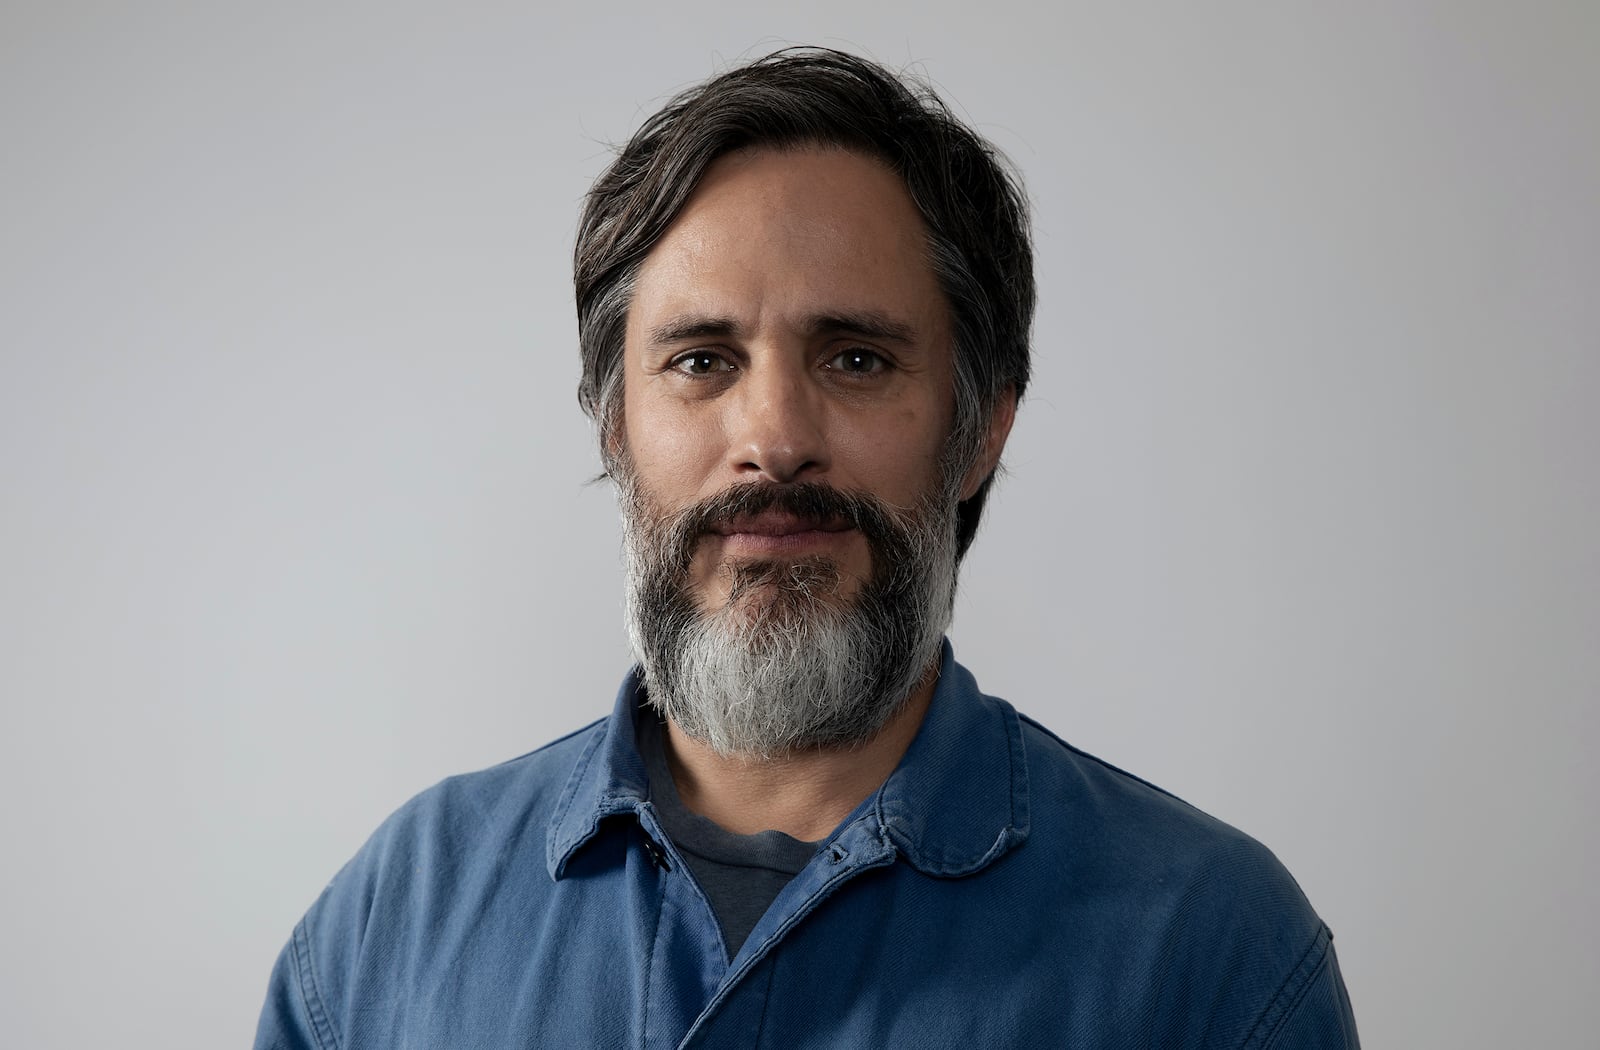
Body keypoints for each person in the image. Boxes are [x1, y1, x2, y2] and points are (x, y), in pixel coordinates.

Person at [255, 48, 1359, 1049]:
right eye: (700, 360)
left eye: (857, 360)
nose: (774, 442)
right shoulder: (394, 920)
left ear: (979, 430)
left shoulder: (1211, 953)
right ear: (614, 428)